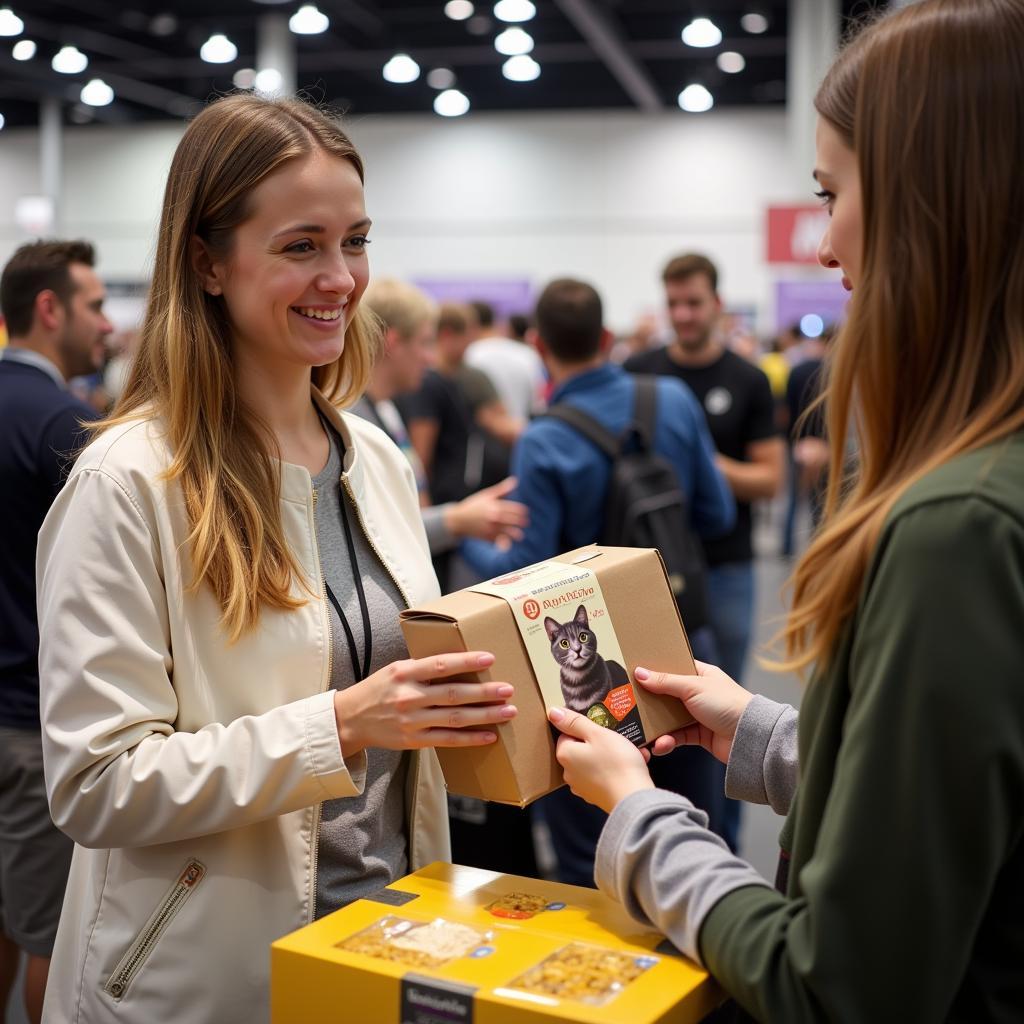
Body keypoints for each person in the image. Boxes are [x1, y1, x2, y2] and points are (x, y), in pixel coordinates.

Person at [547, 1, 1024, 1020]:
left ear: (928, 202)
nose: (821, 243)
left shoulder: (956, 530)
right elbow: (966, 794)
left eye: (832, 192)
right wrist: (761, 731)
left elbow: (836, 985)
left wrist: (637, 817)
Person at [34, 93, 518, 1024]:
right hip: (207, 976)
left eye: (357, 241)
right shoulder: (130, 480)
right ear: (209, 263)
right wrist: (341, 726)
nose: (340, 277)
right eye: (302, 246)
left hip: (385, 946)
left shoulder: (372, 456)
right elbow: (96, 784)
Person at [462, 278, 735, 885]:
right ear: (607, 337)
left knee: (596, 837)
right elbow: (717, 514)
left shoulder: (545, 437)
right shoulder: (674, 400)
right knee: (697, 817)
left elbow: (524, 569)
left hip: (588, 677)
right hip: (684, 646)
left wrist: (468, 539)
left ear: (538, 344)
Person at [625, 254, 784, 850]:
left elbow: (770, 480)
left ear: (717, 303)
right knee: (647, 711)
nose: (683, 315)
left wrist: (699, 461)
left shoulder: (745, 379)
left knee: (726, 715)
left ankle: (725, 847)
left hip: (724, 567)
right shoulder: (641, 372)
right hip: (652, 572)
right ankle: (656, 841)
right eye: (674, 304)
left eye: (693, 303)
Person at [0, 240, 112, 1024]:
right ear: (50, 309)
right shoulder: (67, 429)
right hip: (31, 723)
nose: (107, 324)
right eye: (96, 305)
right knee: (47, 933)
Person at [355, 278, 529, 556]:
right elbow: (372, 533)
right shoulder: (355, 422)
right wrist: (456, 520)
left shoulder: (385, 409)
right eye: (425, 343)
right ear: (393, 342)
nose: (429, 357)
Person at [463, 299, 546, 421]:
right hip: (524, 430)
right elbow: (538, 403)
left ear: (472, 325)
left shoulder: (470, 355)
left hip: (482, 436)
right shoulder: (527, 354)